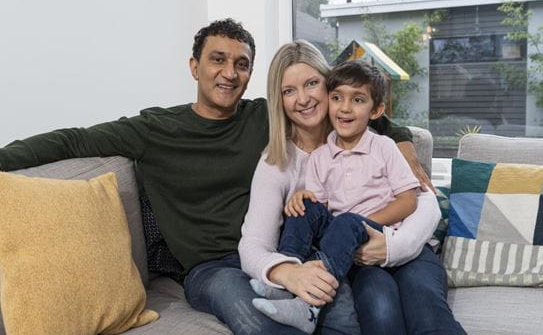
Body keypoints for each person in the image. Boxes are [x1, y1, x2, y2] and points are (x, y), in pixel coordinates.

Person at [0, 19, 434, 334]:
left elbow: (358, 114)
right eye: (218, 60)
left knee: (340, 311)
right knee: (254, 314)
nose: (229, 72)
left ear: (250, 76)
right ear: (194, 66)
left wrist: (404, 146)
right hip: (212, 267)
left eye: (242, 64)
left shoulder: (265, 116)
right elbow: (75, 140)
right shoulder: (155, 129)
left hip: (277, 250)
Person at [239, 40, 466, 334]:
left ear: (328, 83)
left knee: (426, 310)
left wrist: (395, 245)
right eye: (288, 91)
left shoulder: (370, 134)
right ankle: (295, 300)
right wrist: (288, 273)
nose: (304, 98)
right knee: (380, 309)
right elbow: (260, 241)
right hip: (355, 257)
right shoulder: (281, 162)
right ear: (279, 99)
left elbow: (422, 199)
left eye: (311, 84)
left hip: (405, 244)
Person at [250, 60, 420, 333]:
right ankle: (288, 280)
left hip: (375, 232)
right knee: (305, 204)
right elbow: (322, 209)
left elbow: (409, 200)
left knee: (348, 222)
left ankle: (310, 307)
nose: (345, 107)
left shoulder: (384, 146)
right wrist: (303, 198)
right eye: (337, 98)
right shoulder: (319, 157)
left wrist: (360, 222)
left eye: (357, 100)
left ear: (376, 110)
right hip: (340, 233)